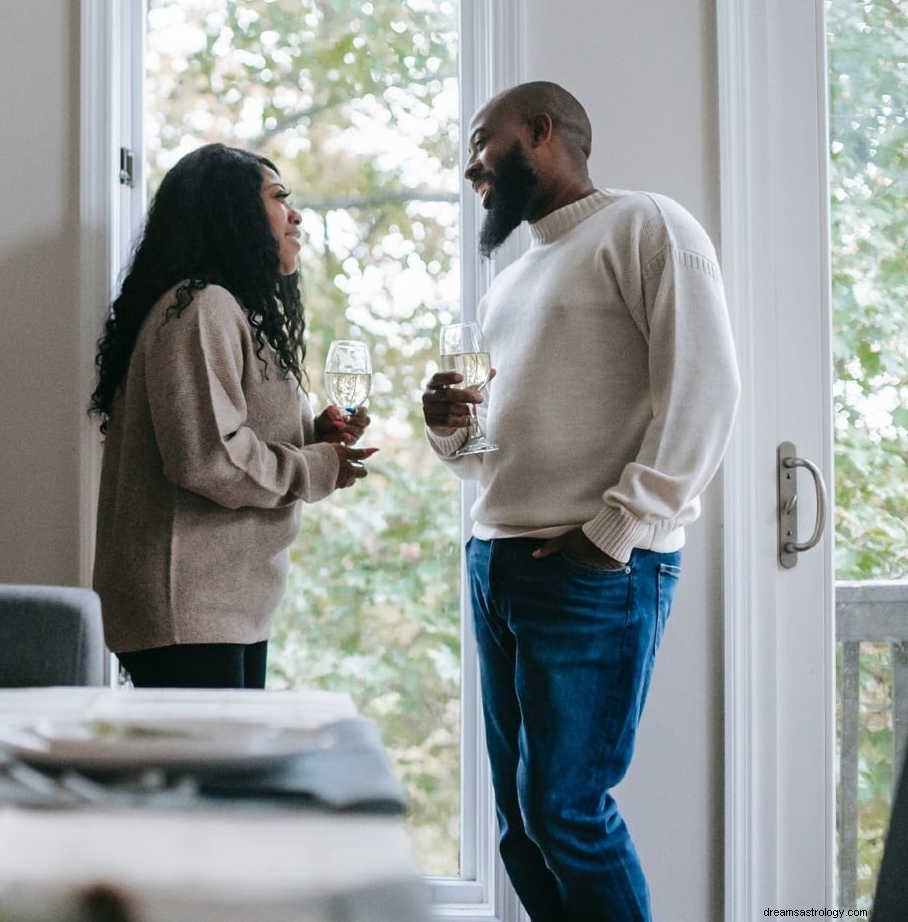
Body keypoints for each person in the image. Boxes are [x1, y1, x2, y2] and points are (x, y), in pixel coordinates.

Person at [421, 82, 739, 921]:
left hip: (590, 569)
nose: (470, 168)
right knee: (521, 829)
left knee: (565, 813)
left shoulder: (648, 226)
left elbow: (705, 388)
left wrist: (617, 532)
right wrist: (451, 429)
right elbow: (490, 452)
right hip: (499, 564)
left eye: (481, 142)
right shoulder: (510, 281)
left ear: (541, 130)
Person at [89, 143, 376, 689]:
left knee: (218, 774)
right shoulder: (202, 307)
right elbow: (207, 458)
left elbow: (232, 431)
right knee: (209, 774)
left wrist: (316, 436)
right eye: (278, 198)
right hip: (188, 606)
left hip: (222, 605)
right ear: (233, 213)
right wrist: (317, 466)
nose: (295, 215)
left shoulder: (227, 311)